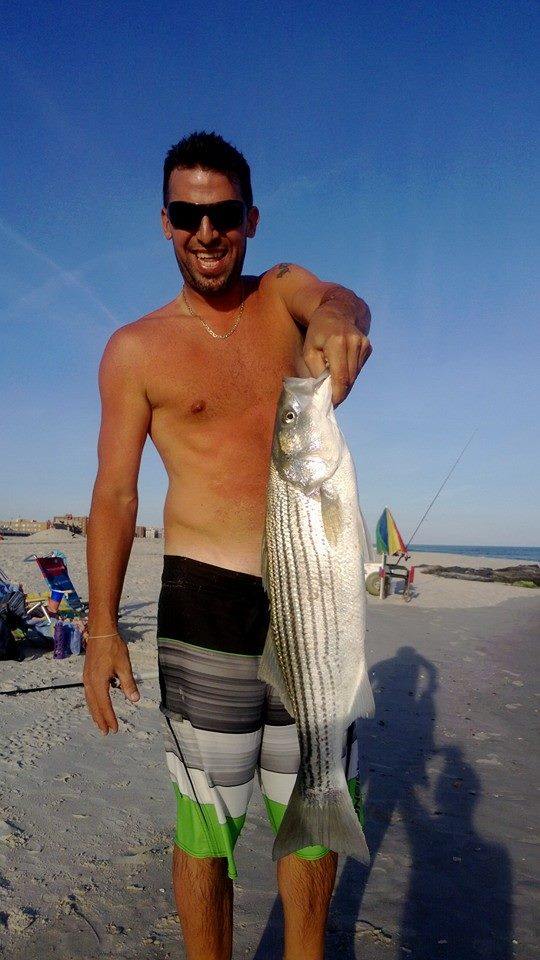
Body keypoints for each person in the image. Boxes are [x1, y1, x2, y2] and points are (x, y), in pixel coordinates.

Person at [83, 131, 372, 960]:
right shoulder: (134, 349)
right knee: (206, 829)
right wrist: (102, 629)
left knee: (311, 814)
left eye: (221, 214)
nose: (205, 232)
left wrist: (344, 320)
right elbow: (115, 492)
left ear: (248, 217)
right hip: (203, 603)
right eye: (187, 214)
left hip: (312, 599)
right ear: (165, 223)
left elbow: (337, 298)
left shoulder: (281, 296)